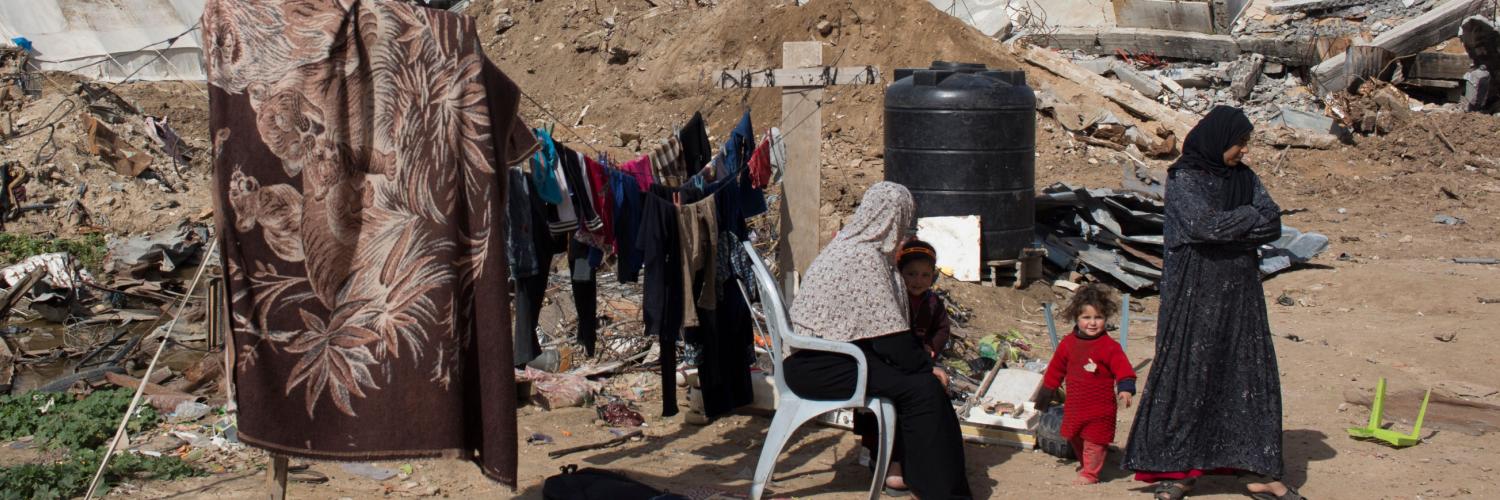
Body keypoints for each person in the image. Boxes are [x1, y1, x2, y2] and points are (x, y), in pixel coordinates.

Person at [1121, 106, 1303, 500]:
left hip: (1240, 294)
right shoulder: (1185, 179)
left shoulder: (1245, 178)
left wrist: (1234, 223)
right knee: (1190, 373)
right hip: (1194, 292)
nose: (1242, 151)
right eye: (1239, 142)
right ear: (1218, 139)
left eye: (1245, 143)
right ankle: (1178, 470)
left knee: (1244, 375)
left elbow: (1272, 221)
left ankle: (1256, 470)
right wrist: (1246, 219)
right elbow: (1204, 226)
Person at [783, 182, 973, 499]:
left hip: (823, 358)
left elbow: (882, 334)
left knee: (918, 383)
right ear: (891, 219)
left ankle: (912, 473)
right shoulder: (863, 259)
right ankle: (942, 491)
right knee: (923, 389)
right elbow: (891, 339)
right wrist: (926, 367)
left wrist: (919, 364)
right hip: (820, 366)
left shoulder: (851, 246)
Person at [851, 239, 955, 490]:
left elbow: (942, 329)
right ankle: (880, 455)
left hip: (918, 360)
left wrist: (931, 348)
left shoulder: (932, 303)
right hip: (893, 361)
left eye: (924, 275)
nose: (917, 280)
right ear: (899, 273)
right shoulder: (894, 299)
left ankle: (908, 458)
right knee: (890, 407)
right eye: (911, 274)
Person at [1036, 284, 1136, 485]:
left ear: (1105, 319)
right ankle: (1087, 463)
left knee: (1095, 440)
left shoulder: (1110, 347)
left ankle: (1091, 473)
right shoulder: (1068, 343)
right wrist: (1046, 393)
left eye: (1098, 317)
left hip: (1101, 408)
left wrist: (1125, 388)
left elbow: (1123, 368)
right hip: (1075, 405)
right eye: (1086, 318)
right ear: (1077, 318)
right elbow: (1056, 368)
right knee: (1074, 436)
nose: (1092, 323)